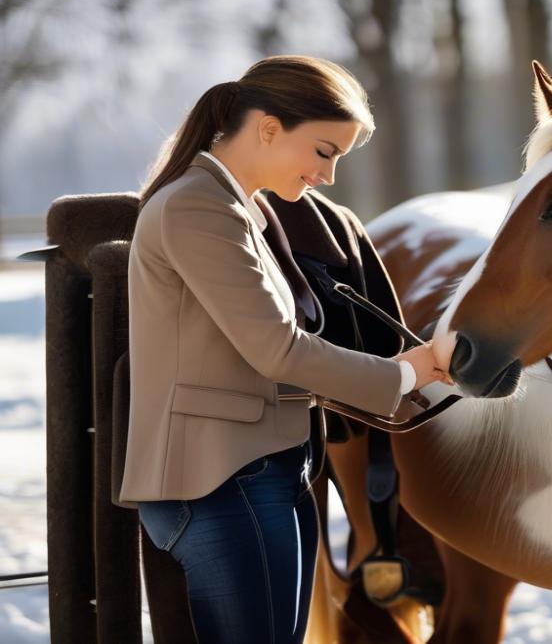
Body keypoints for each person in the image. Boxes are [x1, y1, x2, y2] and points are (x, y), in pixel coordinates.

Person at [118, 54, 450, 643]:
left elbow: (253, 356)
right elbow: (278, 350)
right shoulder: (199, 207)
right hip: (222, 480)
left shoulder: (242, 209)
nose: (327, 176)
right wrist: (404, 373)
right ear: (268, 127)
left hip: (260, 471)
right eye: (324, 152)